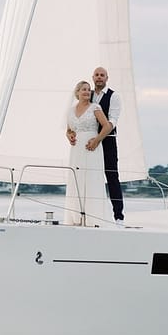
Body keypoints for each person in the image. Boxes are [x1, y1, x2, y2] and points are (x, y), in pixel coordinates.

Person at [64, 80, 112, 226]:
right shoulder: (70, 110)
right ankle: (76, 217)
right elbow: (69, 130)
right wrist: (69, 135)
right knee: (76, 179)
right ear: (77, 92)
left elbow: (107, 126)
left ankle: (93, 218)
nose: (87, 92)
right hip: (76, 149)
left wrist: (97, 140)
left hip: (92, 148)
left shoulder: (95, 107)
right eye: (83, 89)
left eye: (88, 89)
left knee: (91, 179)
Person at [91, 66, 124, 222]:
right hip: (89, 142)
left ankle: (119, 216)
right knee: (89, 175)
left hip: (108, 140)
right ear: (93, 77)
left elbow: (112, 122)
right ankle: (90, 213)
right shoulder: (87, 94)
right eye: (97, 75)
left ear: (107, 78)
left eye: (102, 75)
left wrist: (98, 139)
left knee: (111, 176)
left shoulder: (114, 96)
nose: (99, 77)